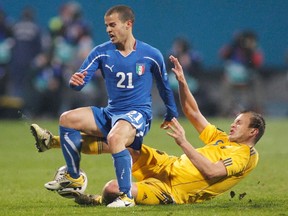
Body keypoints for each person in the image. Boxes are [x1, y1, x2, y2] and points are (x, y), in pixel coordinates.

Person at [30, 55, 265, 206]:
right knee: (119, 140)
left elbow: (213, 173)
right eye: (234, 121)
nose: (233, 125)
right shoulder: (222, 139)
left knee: (112, 188)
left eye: (239, 123)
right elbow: (193, 114)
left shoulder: (243, 156)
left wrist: (184, 142)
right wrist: (182, 83)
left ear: (253, 132)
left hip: (171, 190)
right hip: (167, 164)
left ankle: (98, 199)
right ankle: (51, 142)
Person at [31, 5, 178, 208]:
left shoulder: (151, 54)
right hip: (111, 113)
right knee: (67, 118)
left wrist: (172, 113)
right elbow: (81, 80)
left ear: (128, 24)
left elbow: (164, 87)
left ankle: (126, 196)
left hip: (138, 114)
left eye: (112, 25)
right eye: (106, 26)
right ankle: (74, 177)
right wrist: (75, 82)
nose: (108, 30)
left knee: (115, 138)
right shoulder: (101, 52)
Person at [219, 30, 264, 116]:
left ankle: (258, 108)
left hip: (248, 77)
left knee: (257, 80)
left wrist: (251, 51)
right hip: (233, 77)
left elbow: (258, 63)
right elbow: (222, 55)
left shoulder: (254, 50)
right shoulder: (233, 48)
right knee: (225, 81)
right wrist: (232, 45)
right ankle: (226, 110)